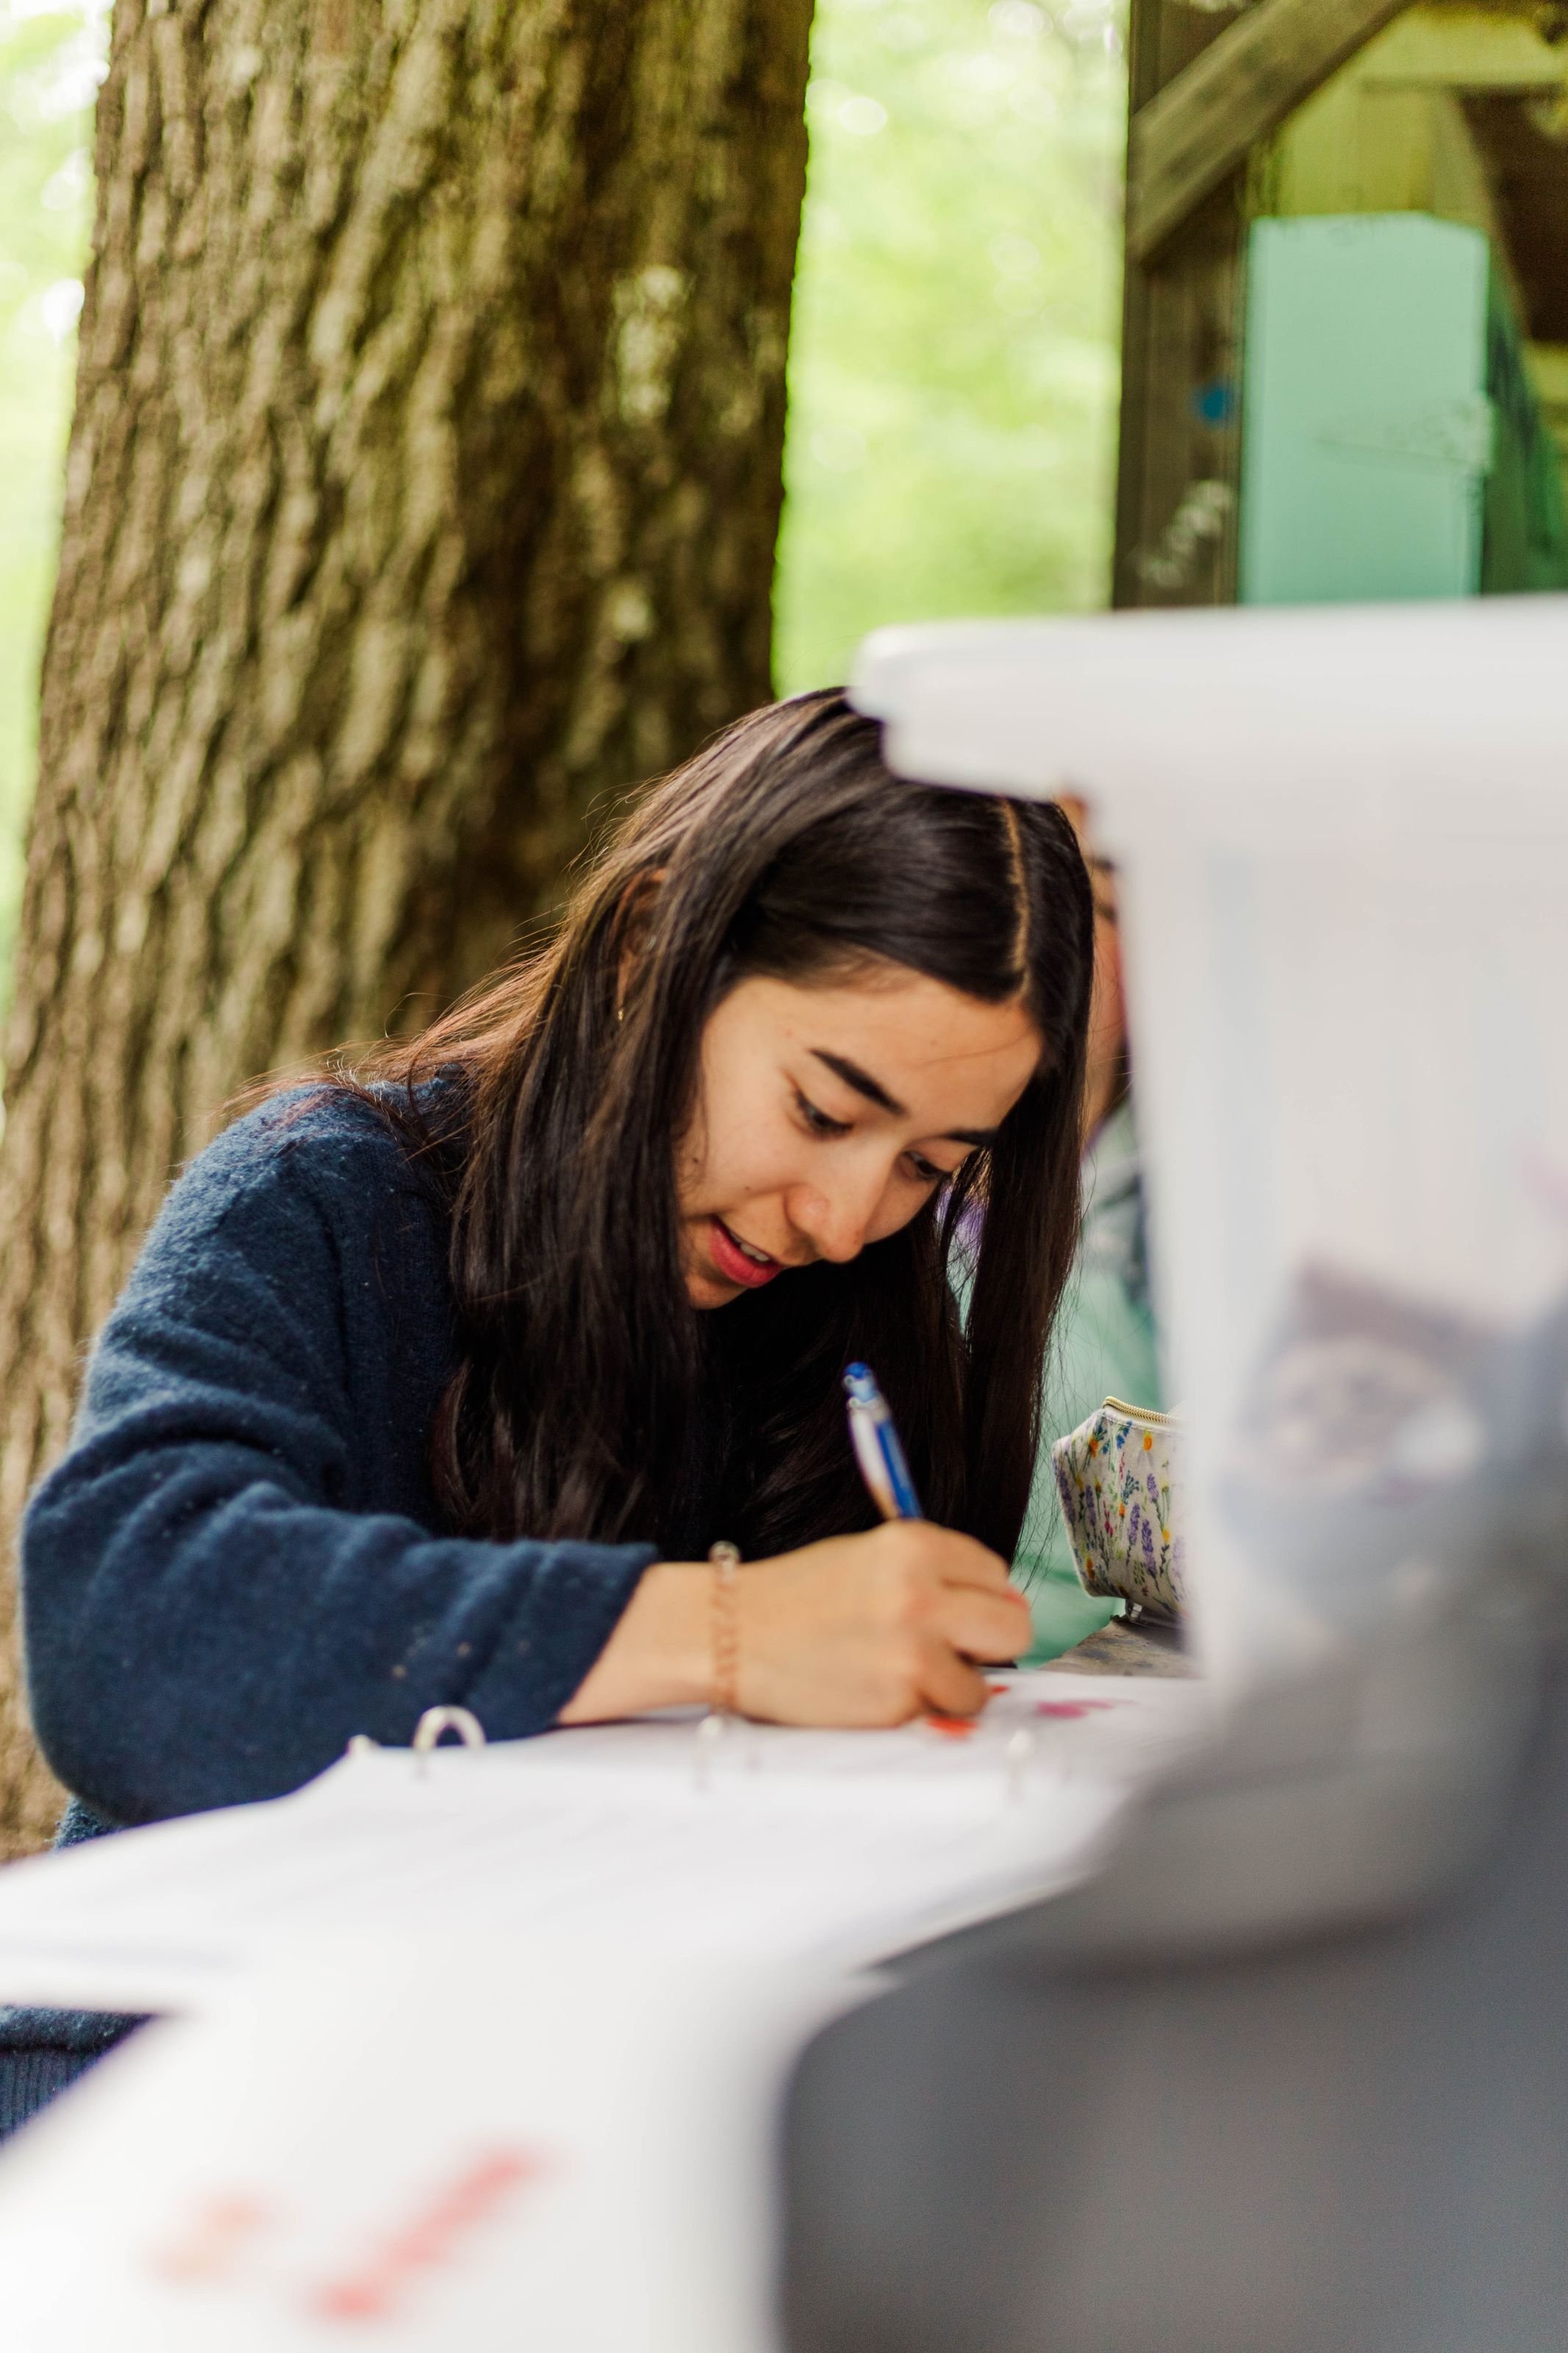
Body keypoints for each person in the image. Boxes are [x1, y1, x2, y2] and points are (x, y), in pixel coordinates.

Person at [0, 689, 1095, 2135]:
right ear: (650, 951)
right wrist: (731, 1632)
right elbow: (124, 1635)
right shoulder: (325, 1198)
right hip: (191, 2112)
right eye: (825, 1113)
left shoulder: (852, 1322)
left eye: (927, 1166)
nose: (845, 1217)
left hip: (578, 2106)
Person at [1013, 798, 1161, 1660]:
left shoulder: (1195, 1204)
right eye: (1015, 886)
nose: (1041, 933)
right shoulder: (863, 1204)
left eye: (1097, 903)